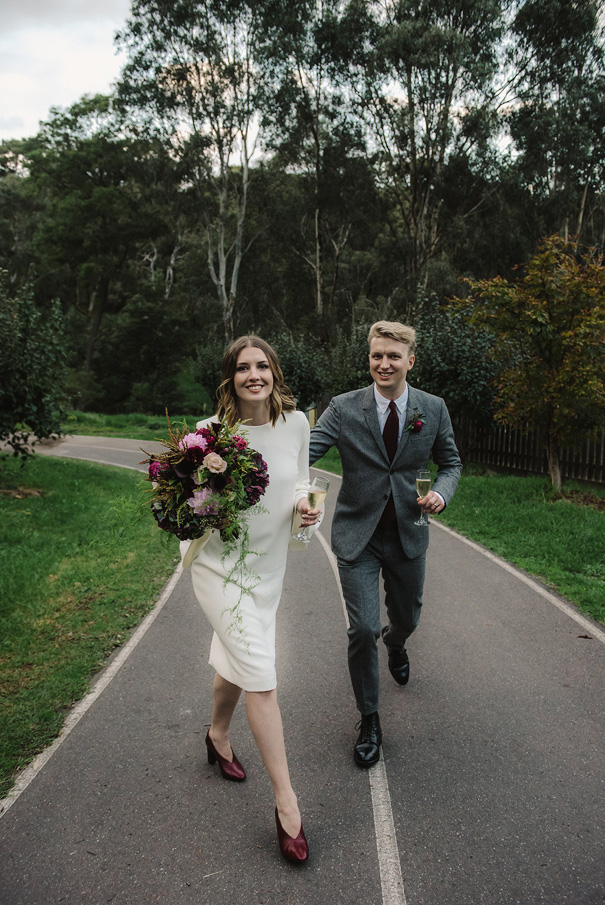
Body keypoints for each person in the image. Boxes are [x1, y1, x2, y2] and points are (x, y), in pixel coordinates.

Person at [181, 336, 321, 863]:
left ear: (274, 373)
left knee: (237, 661)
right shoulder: (208, 435)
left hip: (268, 570)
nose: (254, 375)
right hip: (220, 569)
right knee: (261, 675)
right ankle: (287, 805)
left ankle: (217, 735)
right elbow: (188, 505)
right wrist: (205, 502)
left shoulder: (297, 424)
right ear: (230, 377)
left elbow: (300, 482)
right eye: (243, 367)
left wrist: (306, 509)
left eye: (262, 366)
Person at [309, 321, 462, 767]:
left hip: (408, 532)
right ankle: (370, 719)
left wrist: (441, 494)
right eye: (377, 355)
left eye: (393, 356)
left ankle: (396, 643)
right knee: (362, 630)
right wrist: (253, 462)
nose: (384, 363)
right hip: (356, 536)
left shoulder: (432, 408)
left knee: (408, 617)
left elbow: (451, 463)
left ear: (410, 360)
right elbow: (304, 453)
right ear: (369, 359)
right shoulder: (343, 407)